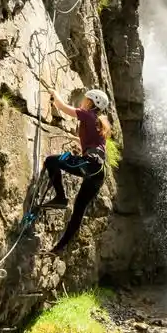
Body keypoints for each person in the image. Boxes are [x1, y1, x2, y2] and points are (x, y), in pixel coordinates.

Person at [41, 88, 113, 253]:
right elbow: (95, 144)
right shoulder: (98, 121)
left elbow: (63, 107)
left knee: (51, 161)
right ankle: (60, 247)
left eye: (85, 99)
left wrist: (54, 93)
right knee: (79, 208)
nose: (82, 101)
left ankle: (60, 197)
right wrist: (76, 138)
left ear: (91, 102)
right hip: (98, 171)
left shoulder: (88, 115)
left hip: (89, 165)